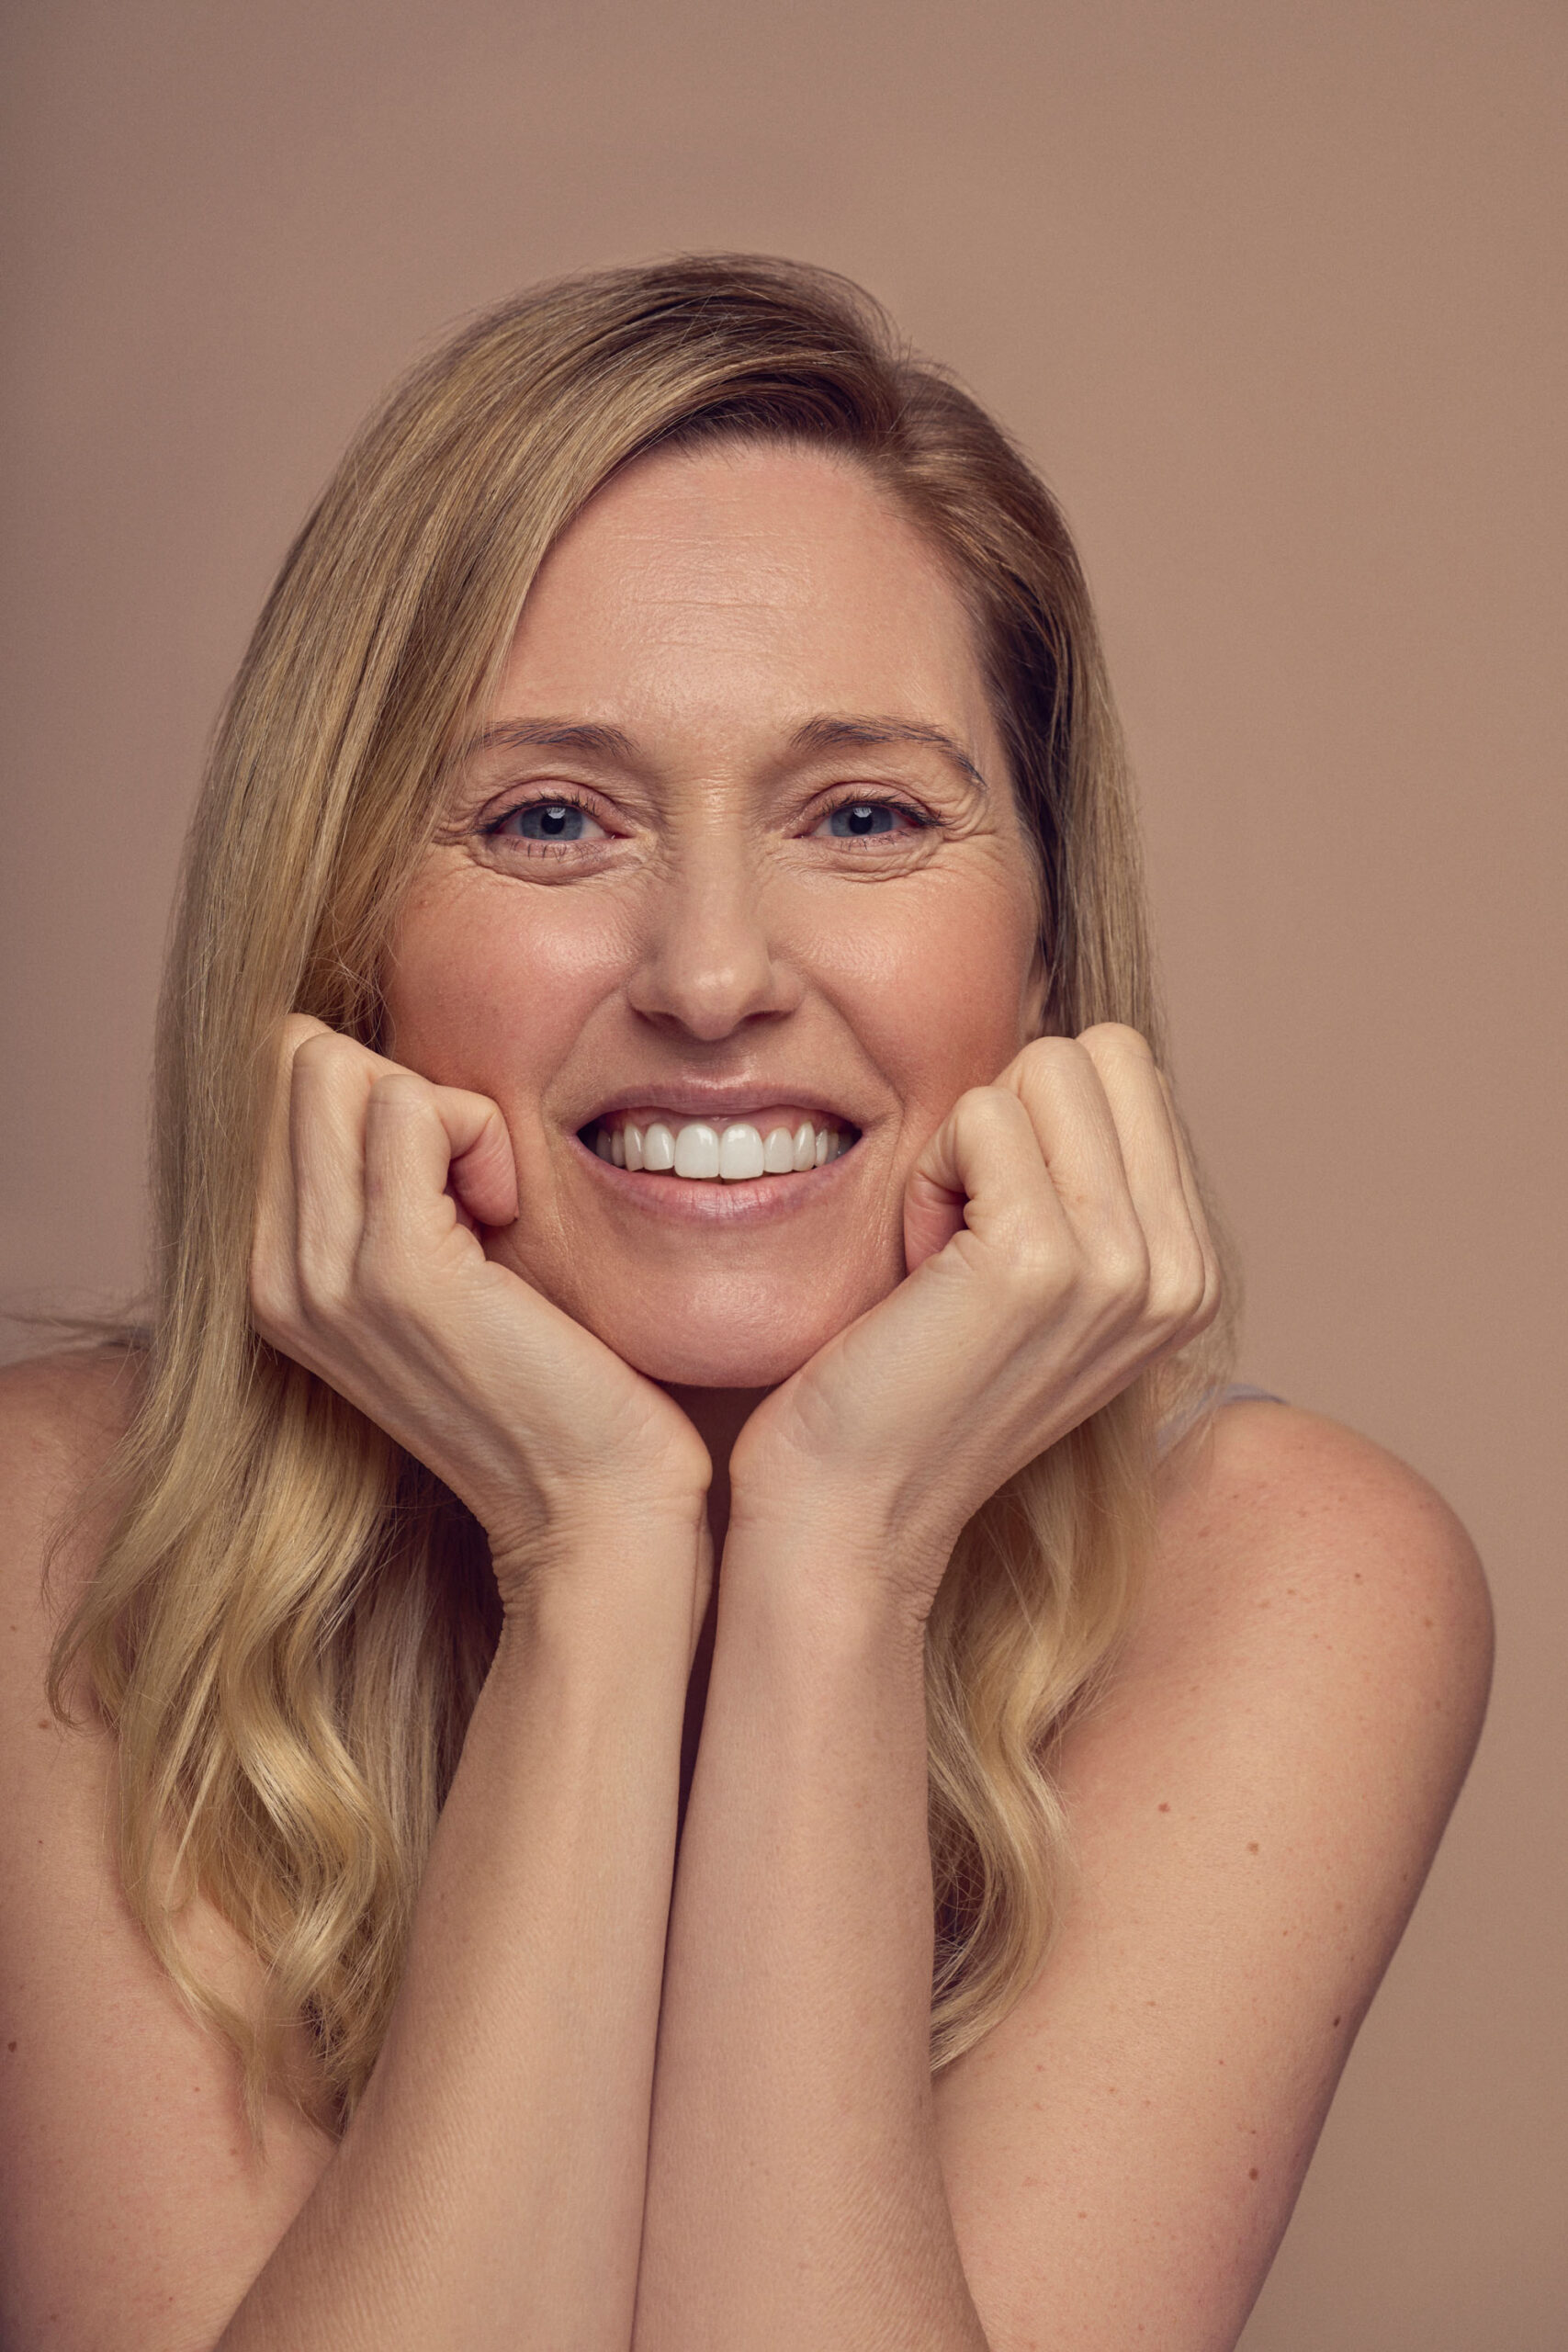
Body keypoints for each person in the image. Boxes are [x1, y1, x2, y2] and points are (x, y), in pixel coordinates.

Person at [0, 255, 1492, 2352]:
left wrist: (837, 1555)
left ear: (1049, 958)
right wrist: (593, 1550)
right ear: (337, 939)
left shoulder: (1288, 1573)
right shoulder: (46, 1538)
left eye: (862, 813)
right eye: (549, 815)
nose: (711, 973)